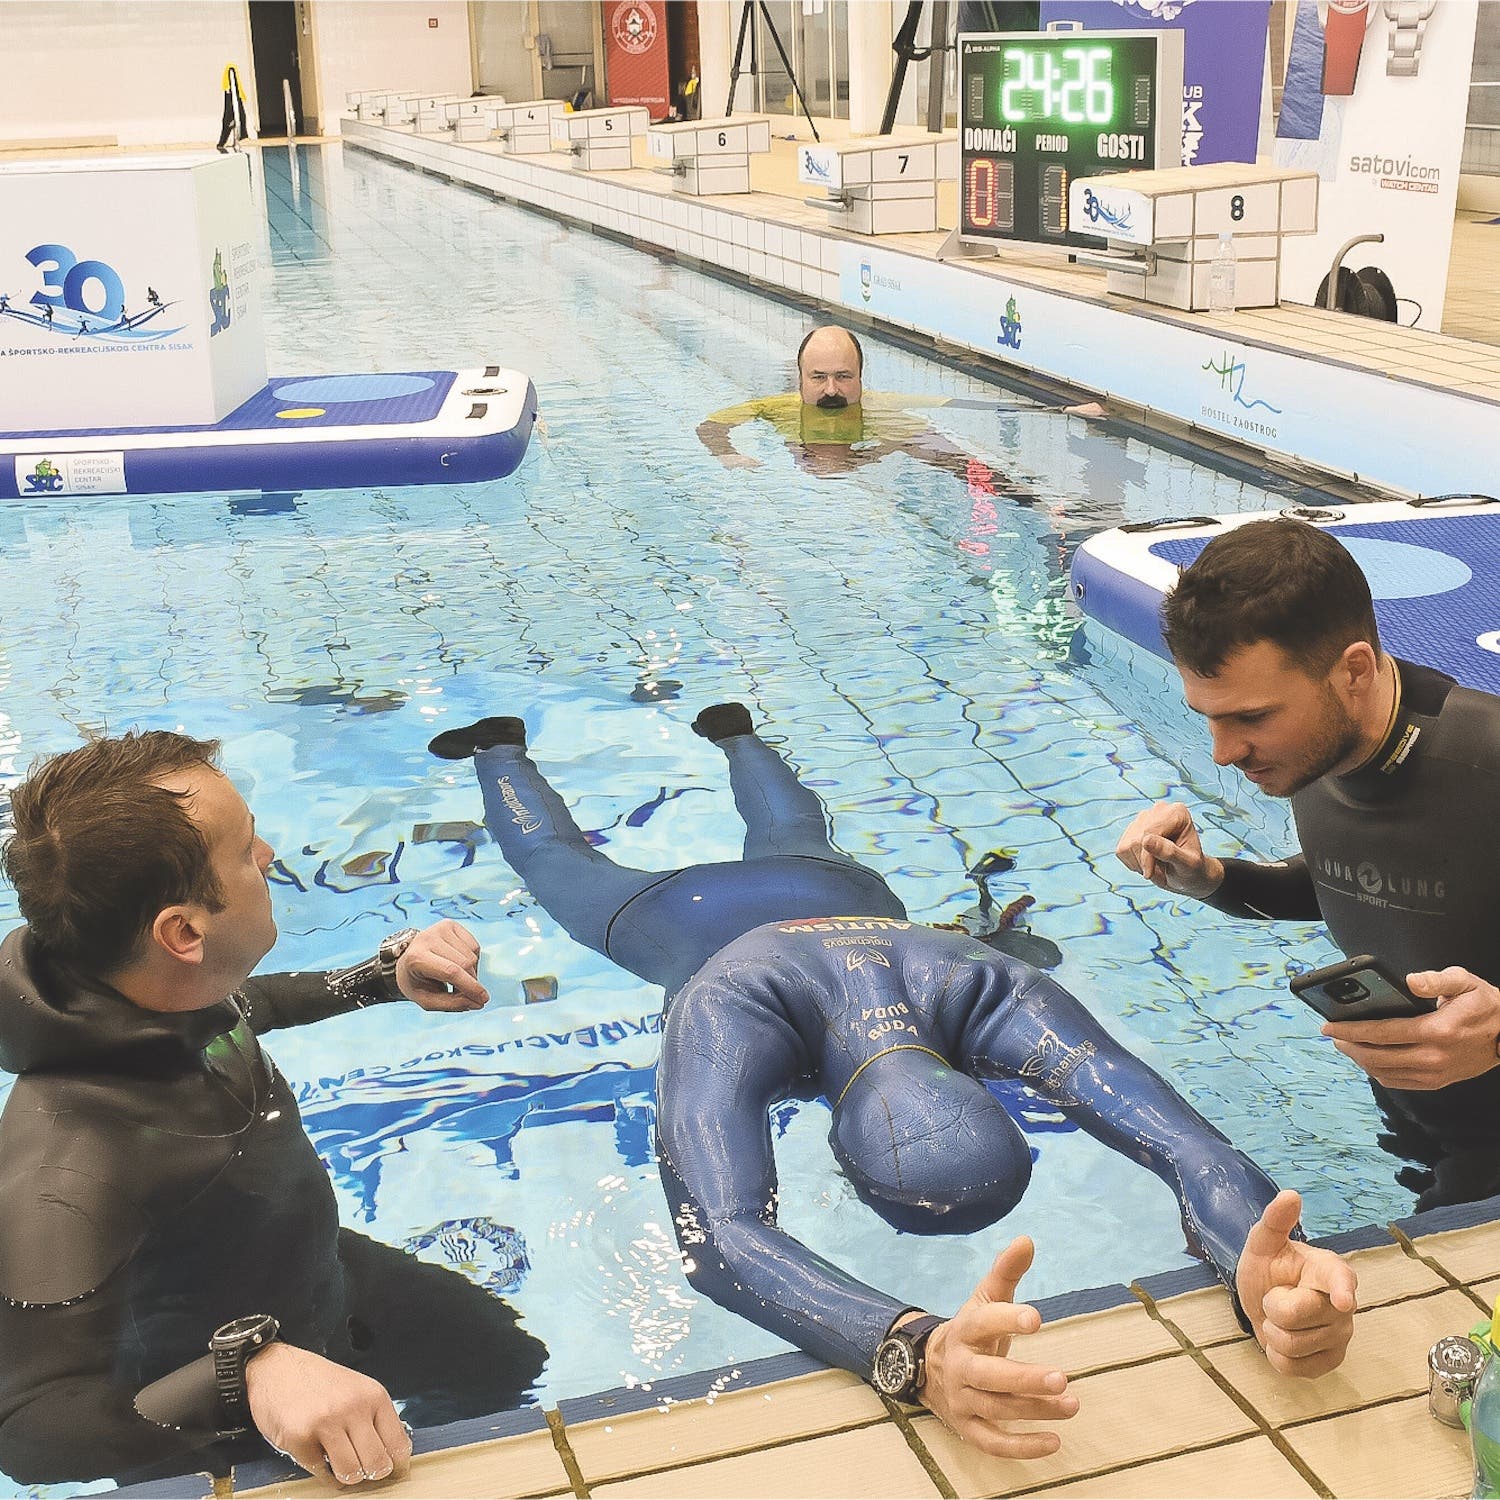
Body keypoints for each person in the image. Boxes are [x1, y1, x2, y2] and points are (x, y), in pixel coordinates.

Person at [431, 707, 1356, 1455]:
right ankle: (718, 739)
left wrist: (1265, 1269)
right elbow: (1190, 1147)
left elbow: (725, 1231)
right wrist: (914, 1350)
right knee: (599, 861)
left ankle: (519, 745)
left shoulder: (973, 975)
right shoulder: (900, 991)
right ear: (986, 1084)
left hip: (820, 901)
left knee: (704, 845)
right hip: (680, 919)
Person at [0, 731, 546, 1488]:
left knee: (510, 1364)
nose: (268, 856)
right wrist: (245, 1377)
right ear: (184, 932)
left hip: (324, 1277)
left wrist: (383, 977)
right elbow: (30, 1432)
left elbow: (242, 1003)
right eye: (247, 846)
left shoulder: (143, 988)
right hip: (211, 1415)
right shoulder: (69, 1163)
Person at [1115, 516, 1500, 1209]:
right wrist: (1212, 881)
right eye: (1209, 715)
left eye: (1252, 717)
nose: (1223, 753)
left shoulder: (1486, 762)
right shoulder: (1315, 750)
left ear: (1353, 670)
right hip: (1419, 1119)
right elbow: (1353, 879)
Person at [694, 325, 1104, 479]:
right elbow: (710, 426)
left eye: (843, 377)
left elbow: (966, 406)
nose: (832, 390)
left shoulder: (884, 409)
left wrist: (1061, 411)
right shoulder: (774, 408)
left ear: (861, 378)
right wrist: (729, 456)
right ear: (799, 380)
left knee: (949, 458)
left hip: (877, 444)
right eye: (818, 378)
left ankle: (1028, 499)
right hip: (834, 459)